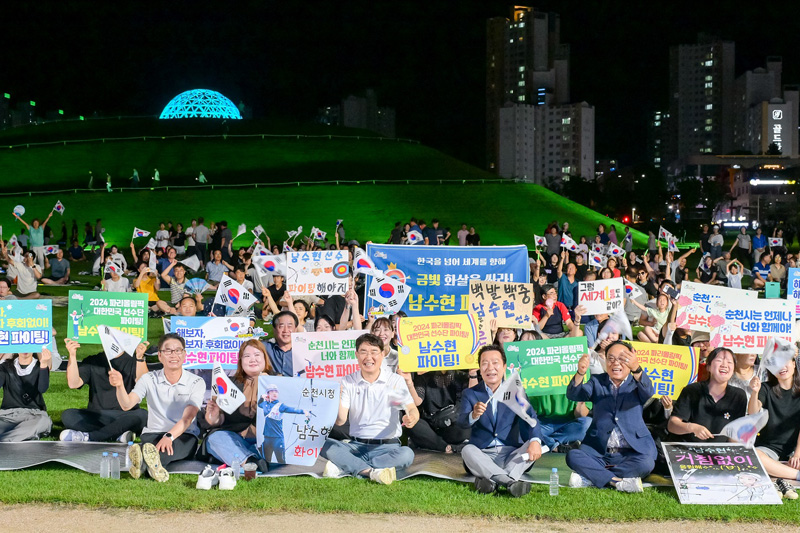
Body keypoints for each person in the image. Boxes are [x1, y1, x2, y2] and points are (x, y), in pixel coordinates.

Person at [320, 333, 418, 485]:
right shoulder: (348, 381)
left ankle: (350, 467)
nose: (369, 357)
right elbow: (340, 421)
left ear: (383, 354)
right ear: (357, 355)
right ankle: (371, 472)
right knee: (324, 444)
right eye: (364, 352)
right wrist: (337, 399)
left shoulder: (394, 380)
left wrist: (411, 417)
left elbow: (412, 409)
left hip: (388, 447)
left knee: (407, 454)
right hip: (356, 446)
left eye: (374, 352)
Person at [110, 333, 205, 482]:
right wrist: (120, 386)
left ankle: (142, 463)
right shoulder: (148, 379)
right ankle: (149, 463)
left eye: (178, 350)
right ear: (160, 356)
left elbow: (188, 418)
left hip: (183, 435)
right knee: (154, 450)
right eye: (168, 351)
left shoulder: (196, 382)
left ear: (185, 354)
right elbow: (127, 404)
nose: (173, 355)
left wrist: (169, 436)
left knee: (166, 450)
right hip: (153, 434)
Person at [566, 341, 656, 492]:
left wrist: (637, 368)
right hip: (599, 451)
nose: (616, 363)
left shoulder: (637, 382)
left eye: (622, 358)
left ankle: (593, 476)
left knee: (646, 464)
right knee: (573, 456)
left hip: (631, 452)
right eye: (611, 358)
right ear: (605, 361)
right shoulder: (597, 381)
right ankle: (617, 481)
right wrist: (580, 372)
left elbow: (648, 392)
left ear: (631, 360)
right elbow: (573, 394)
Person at [458, 344, 543, 497]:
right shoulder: (470, 394)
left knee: (531, 446)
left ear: (504, 367)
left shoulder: (516, 392)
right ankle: (510, 482)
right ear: (479, 369)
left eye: (495, 363)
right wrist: (473, 415)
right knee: (467, 450)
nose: (490, 367)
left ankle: (491, 481)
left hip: (511, 453)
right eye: (484, 363)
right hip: (483, 454)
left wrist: (535, 441)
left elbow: (532, 420)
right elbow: (462, 422)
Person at [199, 340, 273, 473]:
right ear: (240, 361)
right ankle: (249, 462)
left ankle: (243, 458)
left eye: (257, 355)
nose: (252, 359)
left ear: (264, 358)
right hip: (237, 439)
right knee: (215, 439)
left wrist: (267, 384)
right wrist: (214, 415)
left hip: (265, 440)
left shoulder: (278, 382)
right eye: (247, 356)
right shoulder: (228, 383)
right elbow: (216, 422)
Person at [59, 339, 149, 443]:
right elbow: (73, 383)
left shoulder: (133, 360)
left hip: (126, 415)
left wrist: (140, 358)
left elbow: (144, 384)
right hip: (98, 415)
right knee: (68, 415)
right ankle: (116, 435)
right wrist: (72, 356)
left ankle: (92, 436)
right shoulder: (92, 361)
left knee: (142, 415)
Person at [748, 356, 800, 500]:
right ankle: (795, 475)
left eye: (785, 362)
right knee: (753, 456)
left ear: (794, 364)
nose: (781, 367)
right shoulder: (765, 387)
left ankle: (777, 471)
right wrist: (754, 392)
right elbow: (752, 412)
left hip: (795, 449)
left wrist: (797, 453)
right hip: (768, 448)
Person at [667, 348, 746, 442]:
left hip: (718, 454)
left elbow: (734, 435)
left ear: (733, 370)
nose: (724, 365)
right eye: (719, 360)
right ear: (708, 366)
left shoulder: (739, 396)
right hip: (687, 451)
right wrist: (691, 427)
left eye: (729, 362)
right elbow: (672, 425)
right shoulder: (692, 390)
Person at [405, 368, 475, 453]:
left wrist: (473, 374)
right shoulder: (423, 377)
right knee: (412, 423)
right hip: (431, 425)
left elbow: (473, 398)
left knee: (467, 422)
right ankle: (445, 447)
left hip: (453, 424)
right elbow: (417, 401)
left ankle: (441, 445)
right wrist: (409, 383)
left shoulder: (460, 376)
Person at [0, 348, 52, 441]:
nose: (25, 350)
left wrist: (44, 364)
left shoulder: (40, 366)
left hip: (34, 414)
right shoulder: (5, 366)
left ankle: (6, 440)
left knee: (44, 421)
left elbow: (42, 388)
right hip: (8, 415)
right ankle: (24, 435)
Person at [258, 383, 308, 463]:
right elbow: (259, 404)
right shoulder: (265, 404)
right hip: (267, 437)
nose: (274, 393)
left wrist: (303, 411)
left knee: (281, 460)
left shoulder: (280, 406)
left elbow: (292, 409)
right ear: (268, 394)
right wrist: (261, 397)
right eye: (272, 391)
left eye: (276, 391)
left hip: (277, 438)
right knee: (266, 460)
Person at [262, 311, 297, 376]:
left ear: (295, 329)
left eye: (290, 326)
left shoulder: (303, 352)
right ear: (274, 330)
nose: (286, 330)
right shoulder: (265, 348)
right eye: (281, 326)